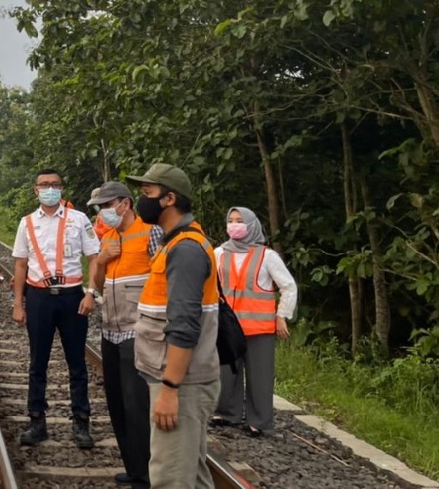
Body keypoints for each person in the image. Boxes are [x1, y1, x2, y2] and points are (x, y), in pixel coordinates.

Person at [126, 163, 220, 489]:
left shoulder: (186, 251)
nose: (142, 201)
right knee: (191, 475)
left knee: (171, 478)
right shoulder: (176, 244)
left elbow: (184, 326)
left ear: (169, 199)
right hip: (183, 378)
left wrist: (170, 388)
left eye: (147, 193)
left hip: (183, 381)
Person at [12, 169, 101, 449]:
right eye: (44, 185)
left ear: (62, 188)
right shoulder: (26, 223)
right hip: (39, 297)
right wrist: (18, 303)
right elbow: (20, 265)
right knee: (38, 362)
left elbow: (95, 258)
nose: (50, 189)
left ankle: (81, 422)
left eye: (55, 184)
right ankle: (37, 421)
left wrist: (92, 293)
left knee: (77, 363)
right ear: (35, 190)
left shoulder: (79, 220)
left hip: (73, 296)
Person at [87, 182, 163, 488]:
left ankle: (146, 473)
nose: (104, 212)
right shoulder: (110, 236)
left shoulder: (151, 232)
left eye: (108, 205)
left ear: (126, 203)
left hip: (138, 329)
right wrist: (102, 260)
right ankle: (132, 467)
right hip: (111, 328)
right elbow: (97, 279)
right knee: (116, 401)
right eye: (99, 208)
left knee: (136, 403)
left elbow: (163, 278)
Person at [210, 207, 297, 437]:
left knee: (260, 376)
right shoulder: (218, 253)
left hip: (259, 328)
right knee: (226, 371)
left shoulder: (266, 255)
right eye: (231, 220)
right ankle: (226, 412)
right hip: (228, 326)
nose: (234, 225)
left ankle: (259, 421)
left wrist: (282, 316)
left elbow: (288, 286)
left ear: (252, 225)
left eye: (240, 221)